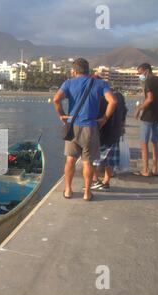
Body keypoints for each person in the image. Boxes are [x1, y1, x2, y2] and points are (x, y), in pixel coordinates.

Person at [53, 58, 117, 201]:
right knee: (87, 162)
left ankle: (68, 190)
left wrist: (62, 115)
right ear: (88, 70)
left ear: (74, 71)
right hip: (91, 127)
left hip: (72, 127)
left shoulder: (69, 83)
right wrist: (104, 118)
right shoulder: (100, 83)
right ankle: (87, 193)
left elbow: (56, 100)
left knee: (70, 160)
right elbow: (113, 101)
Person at [134, 63, 158, 177]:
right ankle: (155, 169)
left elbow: (149, 99)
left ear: (146, 71)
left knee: (144, 142)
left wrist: (139, 109)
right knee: (155, 142)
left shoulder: (149, 81)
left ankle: (145, 170)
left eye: (140, 73)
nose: (140, 76)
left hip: (148, 115)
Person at [91, 86, 128, 191]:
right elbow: (124, 114)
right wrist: (122, 128)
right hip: (115, 133)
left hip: (101, 132)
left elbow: (96, 114)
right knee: (110, 160)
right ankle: (106, 182)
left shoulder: (101, 97)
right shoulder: (119, 97)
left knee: (91, 158)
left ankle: (95, 180)